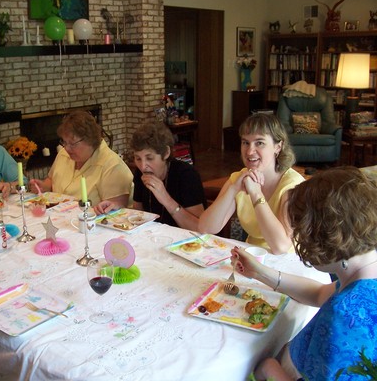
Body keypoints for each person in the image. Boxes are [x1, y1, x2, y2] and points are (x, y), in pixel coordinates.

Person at [231, 166, 377, 381]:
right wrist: (261, 273)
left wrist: (268, 368)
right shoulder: (363, 269)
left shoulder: (344, 314)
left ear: (324, 237)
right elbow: (320, 294)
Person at [198, 113, 303, 254]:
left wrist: (256, 194)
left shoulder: (292, 186)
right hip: (253, 257)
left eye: (259, 143)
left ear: (278, 147)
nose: (249, 151)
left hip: (289, 263)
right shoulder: (238, 178)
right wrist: (233, 189)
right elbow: (205, 228)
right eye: (245, 142)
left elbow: (280, 247)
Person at [95, 122, 204, 230]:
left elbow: (199, 228)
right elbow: (139, 214)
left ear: (166, 153)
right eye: (138, 158)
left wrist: (166, 199)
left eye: (150, 158)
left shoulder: (187, 175)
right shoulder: (139, 173)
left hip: (185, 242)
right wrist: (118, 207)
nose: (143, 166)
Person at [29, 110, 133, 207]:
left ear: (90, 140)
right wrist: (44, 186)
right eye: (64, 142)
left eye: (72, 143)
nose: (67, 148)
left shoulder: (112, 166)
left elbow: (115, 212)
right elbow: (52, 180)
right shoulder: (63, 154)